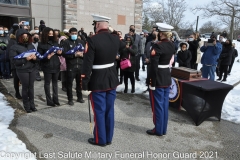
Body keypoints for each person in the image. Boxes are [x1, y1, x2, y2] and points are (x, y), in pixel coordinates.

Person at [81, 14, 125, 146]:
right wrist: (115, 33)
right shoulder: (115, 38)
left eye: (95, 24)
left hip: (97, 80)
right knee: (109, 110)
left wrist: (84, 84)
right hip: (111, 78)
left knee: (99, 110)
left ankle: (100, 139)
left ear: (98, 25)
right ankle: (108, 138)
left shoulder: (92, 40)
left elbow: (87, 65)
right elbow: (124, 48)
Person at [146, 23, 175, 136]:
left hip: (157, 78)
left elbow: (154, 66)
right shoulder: (171, 45)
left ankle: (158, 129)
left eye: (158, 32)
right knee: (164, 105)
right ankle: (163, 129)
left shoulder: (158, 46)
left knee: (157, 105)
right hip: (166, 76)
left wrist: (151, 82)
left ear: (161, 34)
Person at [9, 29, 38, 113]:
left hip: (32, 68)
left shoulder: (31, 45)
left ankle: (32, 104)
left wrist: (36, 58)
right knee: (25, 87)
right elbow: (13, 61)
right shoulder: (14, 47)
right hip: (22, 70)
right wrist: (25, 59)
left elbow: (37, 57)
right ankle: (27, 105)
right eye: (23, 36)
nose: (25, 37)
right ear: (19, 37)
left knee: (31, 87)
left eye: (27, 36)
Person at [38, 27, 62, 106]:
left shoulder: (55, 42)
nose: (51, 35)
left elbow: (59, 52)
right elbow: (39, 57)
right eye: (49, 34)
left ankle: (56, 99)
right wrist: (46, 58)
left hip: (56, 65)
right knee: (47, 83)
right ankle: (49, 100)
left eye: (52, 34)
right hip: (47, 66)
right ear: (45, 34)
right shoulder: (41, 44)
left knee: (55, 83)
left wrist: (59, 52)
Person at [62, 27, 85, 105]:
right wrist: (74, 55)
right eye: (72, 33)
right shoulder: (66, 42)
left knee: (79, 83)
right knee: (69, 83)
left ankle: (80, 97)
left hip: (80, 65)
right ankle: (70, 99)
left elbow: (86, 53)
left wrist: (82, 55)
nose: (74, 35)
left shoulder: (81, 42)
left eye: (75, 33)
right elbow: (64, 54)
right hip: (71, 66)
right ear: (69, 33)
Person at [7, 23, 22, 99]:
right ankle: (17, 92)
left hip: (22, 63)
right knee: (16, 78)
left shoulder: (21, 41)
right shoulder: (12, 41)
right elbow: (9, 53)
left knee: (21, 79)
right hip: (15, 63)